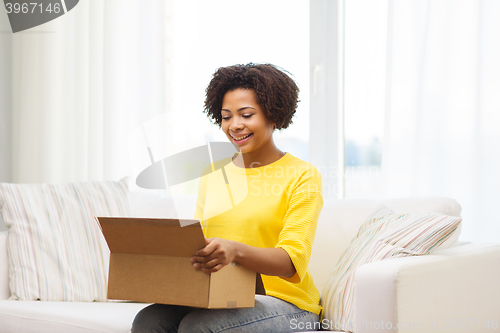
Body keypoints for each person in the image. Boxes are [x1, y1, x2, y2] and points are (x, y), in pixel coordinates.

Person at [131, 63, 323, 333]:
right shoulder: (212, 173)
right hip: (225, 295)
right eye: (226, 116)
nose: (235, 126)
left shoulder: (302, 175)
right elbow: (200, 243)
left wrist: (236, 250)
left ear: (275, 116)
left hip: (288, 302)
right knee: (148, 321)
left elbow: (292, 262)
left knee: (199, 327)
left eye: (246, 115)